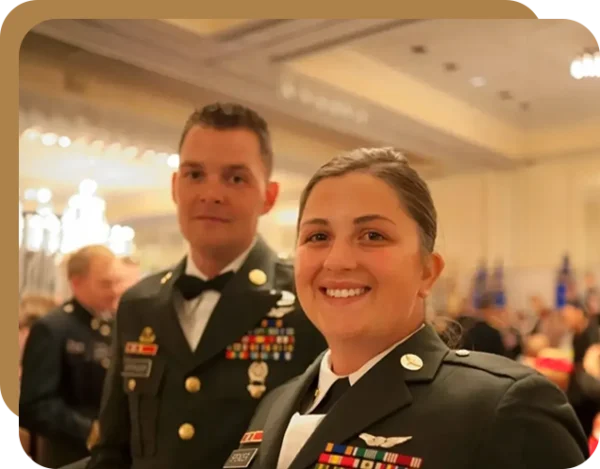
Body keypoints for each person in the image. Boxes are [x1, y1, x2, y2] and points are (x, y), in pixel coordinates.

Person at [224, 147, 588, 469]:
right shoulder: (275, 404)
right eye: (318, 236)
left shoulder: (501, 409)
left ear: (427, 272)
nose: (337, 260)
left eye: (372, 236)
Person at [69, 103, 326, 469]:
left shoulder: (306, 299)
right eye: (195, 174)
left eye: (235, 178)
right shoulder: (139, 303)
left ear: (268, 196)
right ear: (175, 187)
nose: (211, 193)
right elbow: (112, 447)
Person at [19, 245, 121, 469]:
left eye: (116, 282)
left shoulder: (114, 327)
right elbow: (33, 405)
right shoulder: (53, 328)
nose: (115, 291)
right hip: (68, 455)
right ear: (77, 283)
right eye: (105, 283)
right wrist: (88, 430)